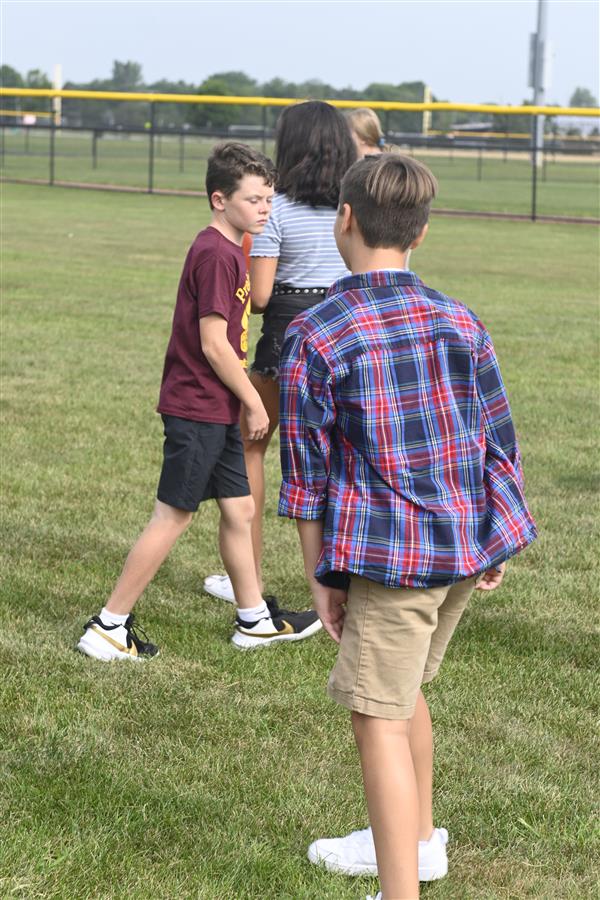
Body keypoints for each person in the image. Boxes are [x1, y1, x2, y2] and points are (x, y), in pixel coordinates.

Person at [278, 154, 537, 898]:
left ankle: (401, 889)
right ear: (421, 233)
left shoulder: (318, 332)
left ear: (344, 220)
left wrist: (321, 578)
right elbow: (497, 441)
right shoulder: (461, 318)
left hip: (394, 564)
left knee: (377, 717)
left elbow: (306, 478)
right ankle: (416, 843)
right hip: (461, 552)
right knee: (404, 691)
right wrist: (494, 538)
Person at [77, 142, 321, 661]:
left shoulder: (235, 248)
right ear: (219, 199)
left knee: (240, 507)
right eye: (253, 199)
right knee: (173, 516)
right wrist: (254, 401)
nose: (265, 209)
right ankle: (108, 625)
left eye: (268, 199)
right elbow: (214, 344)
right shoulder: (215, 254)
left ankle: (254, 620)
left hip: (216, 405)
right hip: (197, 406)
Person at [203, 101, 356, 606]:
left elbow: (262, 296)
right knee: (339, 457)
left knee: (250, 447)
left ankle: (247, 576)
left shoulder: (276, 210)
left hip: (287, 340)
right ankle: (348, 573)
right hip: (344, 335)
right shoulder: (352, 209)